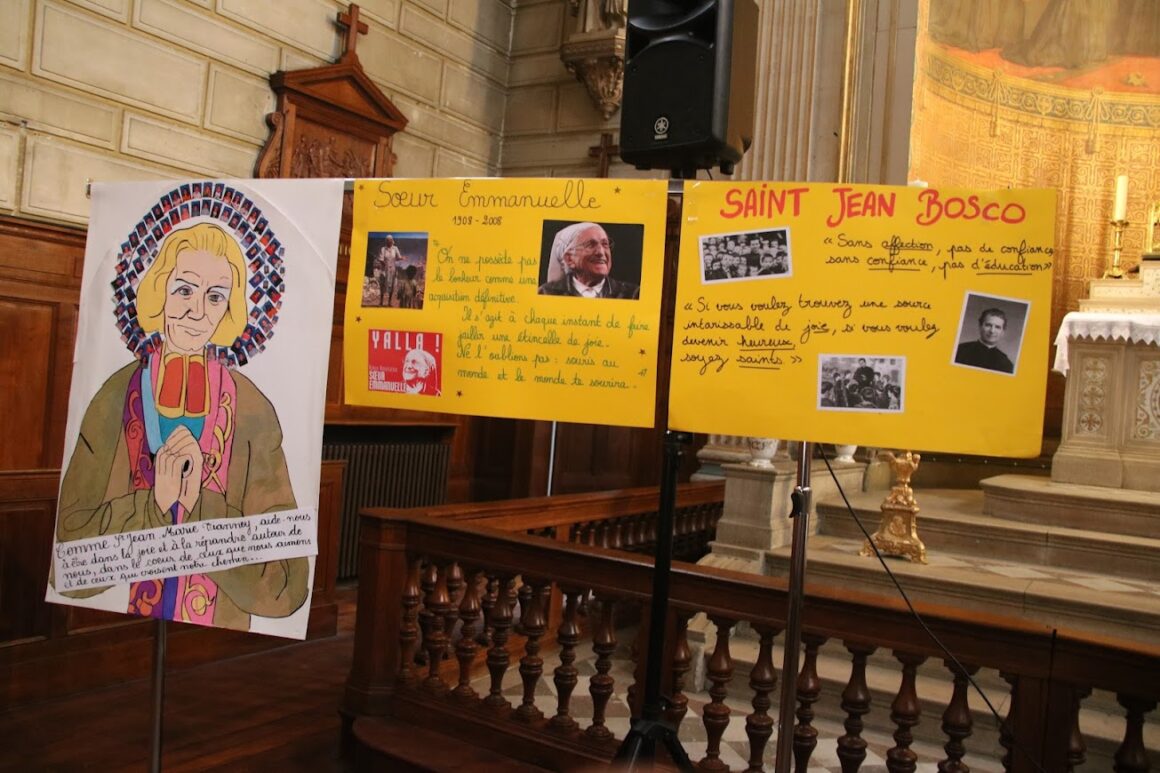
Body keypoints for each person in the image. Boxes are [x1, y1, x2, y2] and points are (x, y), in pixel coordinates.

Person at [55, 222, 308, 631]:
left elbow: (287, 583)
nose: (196, 311)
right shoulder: (115, 396)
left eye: (215, 297)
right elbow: (67, 555)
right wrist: (153, 503)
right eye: (184, 290)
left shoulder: (253, 411)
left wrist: (199, 509)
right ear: (160, 292)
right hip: (123, 633)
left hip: (215, 646)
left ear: (231, 309)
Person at [537, 222, 639, 299]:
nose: (601, 252)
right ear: (569, 259)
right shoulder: (546, 293)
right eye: (590, 245)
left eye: (605, 244)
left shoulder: (633, 294)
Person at [955, 307, 1015, 373]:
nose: (992, 331)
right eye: (988, 325)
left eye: (997, 327)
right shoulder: (960, 350)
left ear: (1002, 331)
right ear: (980, 326)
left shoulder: (1006, 364)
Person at [375, 235, 402, 307]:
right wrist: (385, 265)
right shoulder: (383, 249)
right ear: (386, 242)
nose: (389, 242)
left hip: (393, 269)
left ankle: (389, 302)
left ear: (392, 241)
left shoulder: (395, 248)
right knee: (383, 285)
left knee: (392, 285)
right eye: (388, 241)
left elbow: (398, 257)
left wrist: (402, 258)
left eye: (390, 241)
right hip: (385, 269)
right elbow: (381, 259)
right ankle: (381, 302)